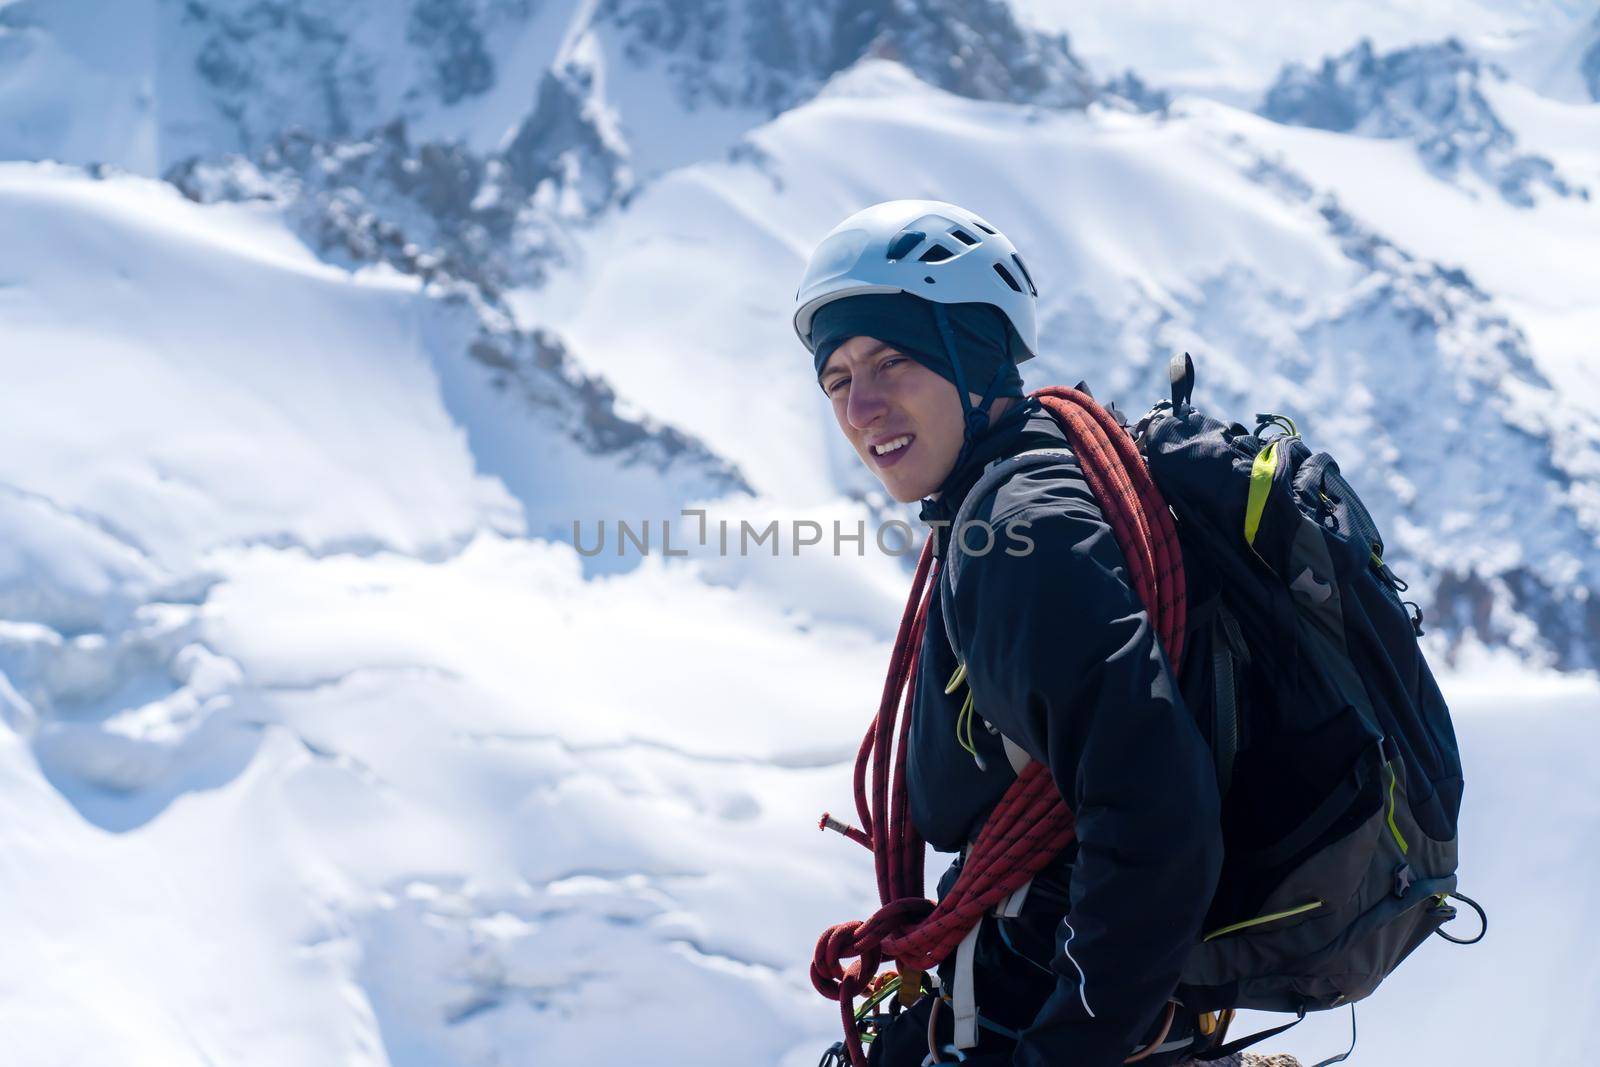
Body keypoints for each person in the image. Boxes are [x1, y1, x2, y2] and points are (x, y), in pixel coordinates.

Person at [794, 201, 1225, 1067]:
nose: (862, 404)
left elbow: (1156, 819)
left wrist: (1066, 1050)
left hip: (1036, 1010)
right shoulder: (1001, 498)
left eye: (893, 357)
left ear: (977, 353)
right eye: (837, 377)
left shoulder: (1025, 535)